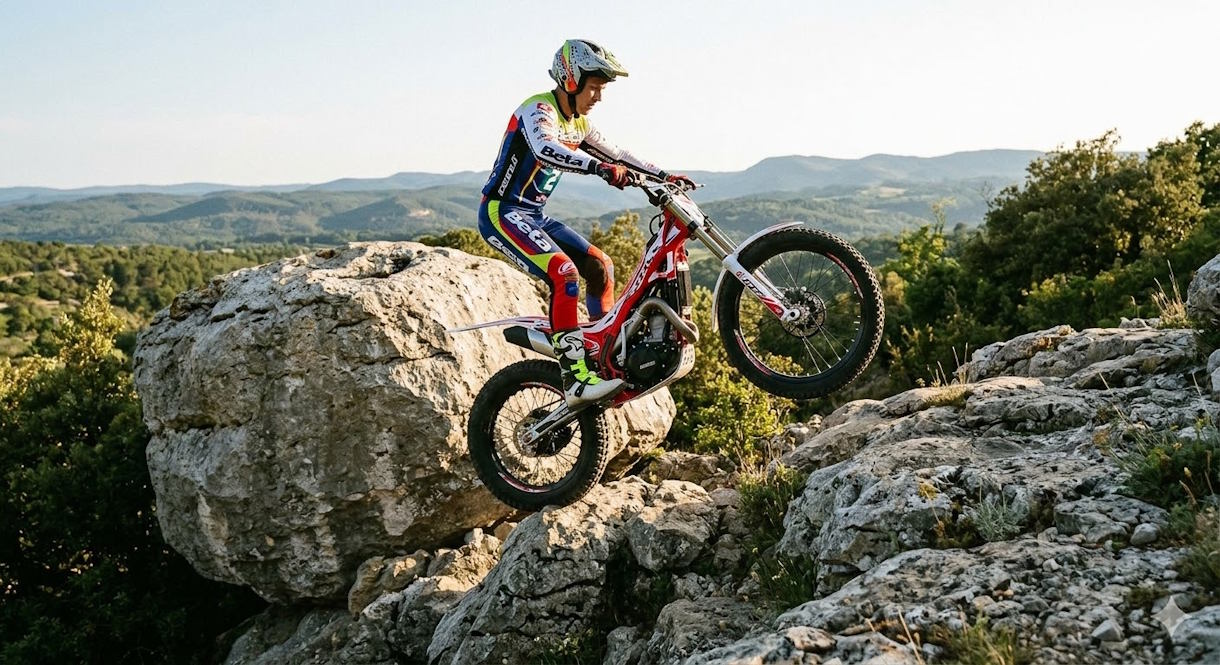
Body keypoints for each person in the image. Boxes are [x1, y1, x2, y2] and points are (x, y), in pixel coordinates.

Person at [478, 39, 694, 407]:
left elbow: (618, 154)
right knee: (563, 273)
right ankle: (576, 375)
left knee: (600, 266)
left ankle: (604, 351)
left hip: (535, 215)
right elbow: (547, 149)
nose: (598, 97)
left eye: (602, 89)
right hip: (503, 213)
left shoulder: (579, 124)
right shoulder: (538, 110)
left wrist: (663, 175)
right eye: (594, 87)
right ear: (571, 80)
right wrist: (599, 168)